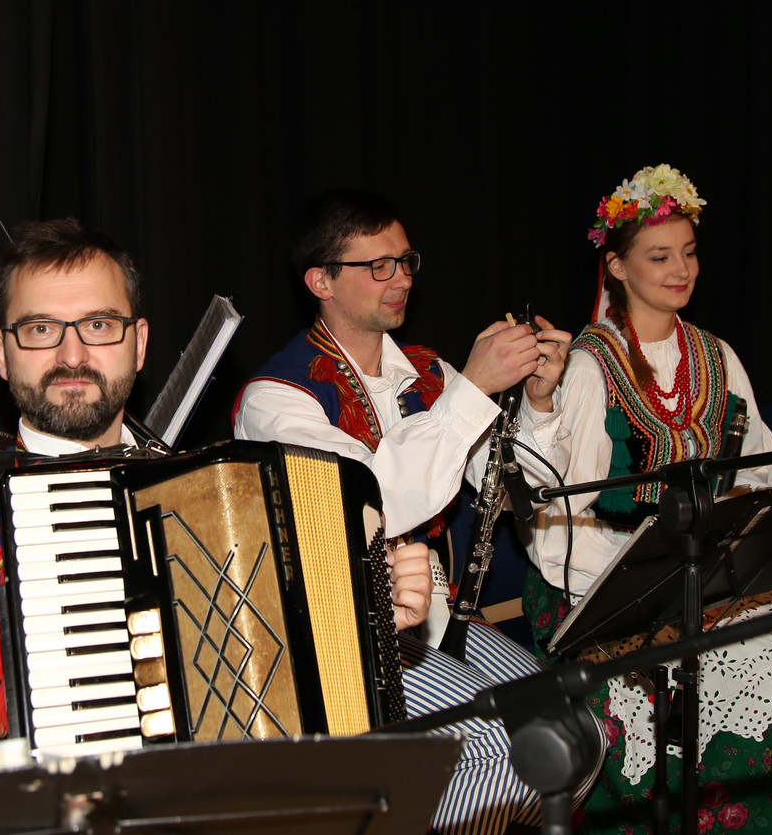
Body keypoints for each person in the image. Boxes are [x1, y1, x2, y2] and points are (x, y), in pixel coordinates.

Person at [0, 218, 566, 835]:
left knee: (540, 752)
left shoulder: (219, 497)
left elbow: (297, 699)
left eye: (98, 325)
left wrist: (378, 622)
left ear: (138, 344)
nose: (72, 355)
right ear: (1, 353)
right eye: (40, 330)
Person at [524, 164, 772, 833]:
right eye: (660, 256)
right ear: (617, 266)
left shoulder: (717, 355)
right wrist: (640, 590)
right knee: (698, 695)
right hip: (612, 580)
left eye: (688, 253)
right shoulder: (591, 365)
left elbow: (760, 471)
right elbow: (565, 517)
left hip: (713, 569)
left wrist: (747, 541)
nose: (681, 269)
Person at [233, 189, 589, 833]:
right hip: (343, 635)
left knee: (576, 724)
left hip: (437, 615)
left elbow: (523, 487)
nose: (401, 279)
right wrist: (473, 389)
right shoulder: (276, 398)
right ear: (320, 282)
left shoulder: (429, 372)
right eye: (378, 266)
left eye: (405, 261)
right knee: (510, 752)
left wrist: (537, 402)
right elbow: (369, 501)